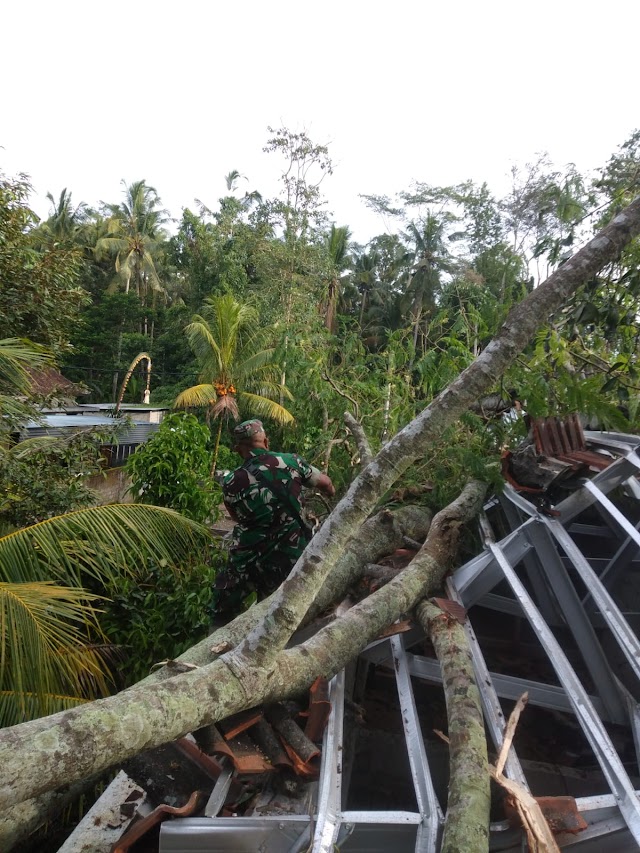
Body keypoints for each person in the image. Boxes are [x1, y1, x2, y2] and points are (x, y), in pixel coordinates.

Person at [216, 419, 335, 613]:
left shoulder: (231, 481)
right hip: (293, 555)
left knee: (222, 608)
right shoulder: (292, 461)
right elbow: (326, 483)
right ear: (266, 441)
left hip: (253, 559)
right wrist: (331, 492)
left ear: (238, 449)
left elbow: (236, 517)